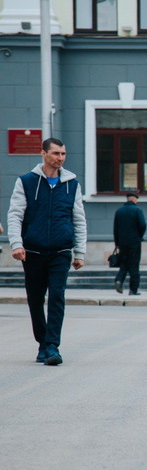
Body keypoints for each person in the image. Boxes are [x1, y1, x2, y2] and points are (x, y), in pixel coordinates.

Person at [6, 138, 87, 365]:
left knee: (57, 296)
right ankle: (42, 342)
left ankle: (52, 346)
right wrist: (17, 244)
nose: (60, 158)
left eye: (63, 154)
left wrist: (80, 252)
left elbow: (79, 220)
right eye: (56, 153)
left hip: (61, 250)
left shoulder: (72, 184)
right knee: (35, 298)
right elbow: (15, 215)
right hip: (32, 251)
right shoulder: (26, 182)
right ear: (43, 154)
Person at [113, 191, 147, 295]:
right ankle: (133, 290)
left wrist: (117, 242)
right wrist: (139, 236)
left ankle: (119, 280)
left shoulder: (119, 211)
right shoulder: (137, 210)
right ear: (134, 199)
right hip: (134, 242)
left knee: (124, 263)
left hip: (122, 242)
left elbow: (115, 229)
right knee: (134, 265)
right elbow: (143, 225)